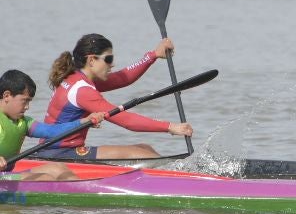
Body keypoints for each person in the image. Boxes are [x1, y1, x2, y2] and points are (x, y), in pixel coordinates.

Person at [38, 34, 193, 162]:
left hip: (58, 150)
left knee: (146, 148)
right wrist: (170, 127)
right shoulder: (83, 90)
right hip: (58, 155)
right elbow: (127, 121)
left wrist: (153, 55)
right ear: (91, 60)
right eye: (108, 59)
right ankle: (177, 182)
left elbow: (123, 78)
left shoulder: (75, 78)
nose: (112, 65)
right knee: (141, 155)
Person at [0, 70, 106, 180]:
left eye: (29, 102)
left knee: (57, 168)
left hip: (6, 176)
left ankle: (85, 191)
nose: (27, 107)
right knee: (44, 178)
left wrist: (83, 122)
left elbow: (52, 131)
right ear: (7, 96)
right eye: (24, 101)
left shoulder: (24, 122)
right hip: (4, 180)